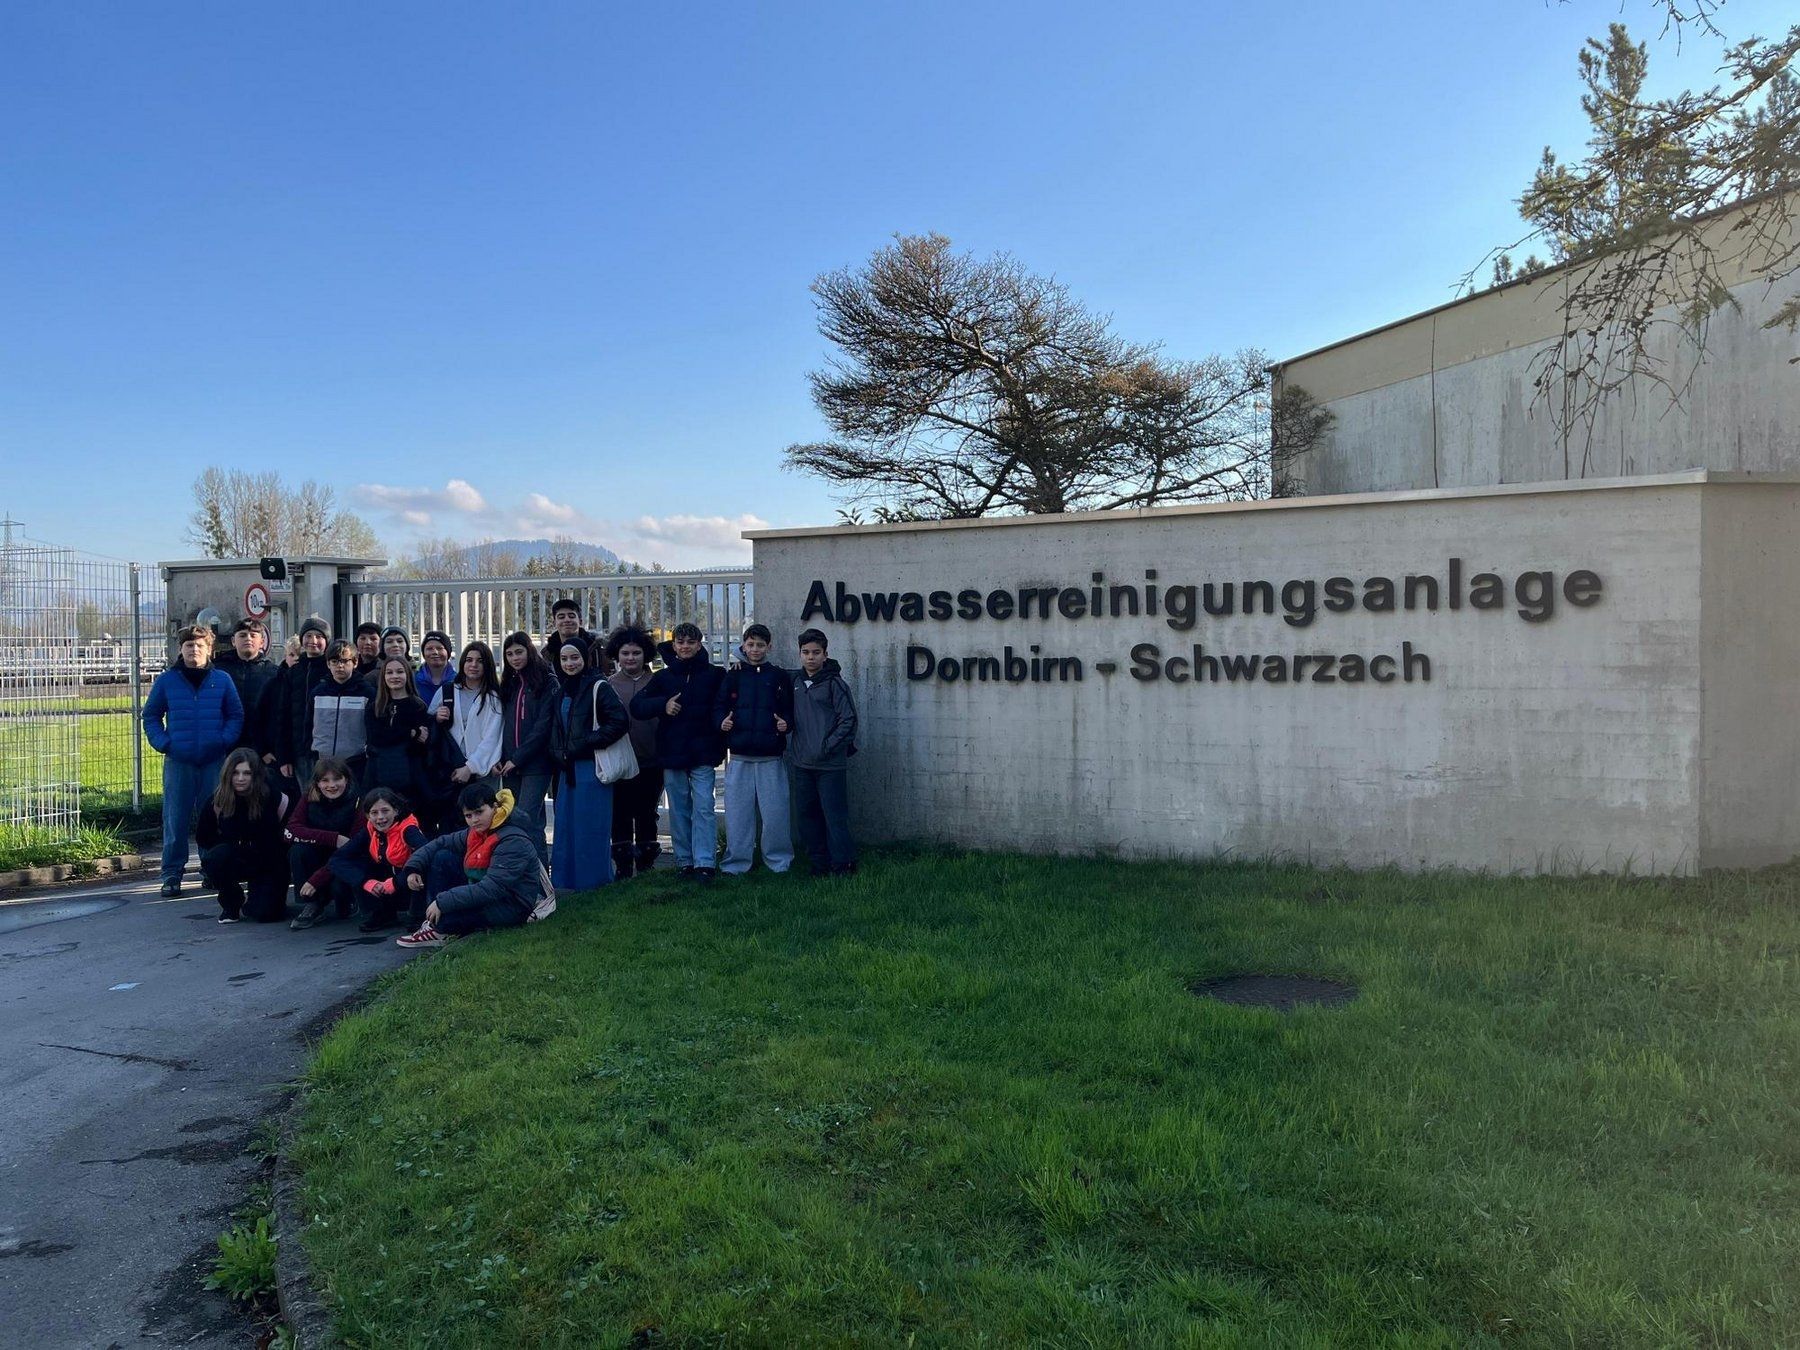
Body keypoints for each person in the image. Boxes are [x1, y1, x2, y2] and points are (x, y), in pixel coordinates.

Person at [143, 624, 244, 897]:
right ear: (181, 649)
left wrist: (223, 741)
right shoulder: (167, 681)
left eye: (200, 645)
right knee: (175, 819)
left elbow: (235, 714)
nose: (194, 650)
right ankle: (172, 874)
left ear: (209, 649)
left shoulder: (221, 680)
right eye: (189, 645)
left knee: (213, 818)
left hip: (213, 761)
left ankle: (211, 870)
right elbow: (150, 716)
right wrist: (165, 744)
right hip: (179, 761)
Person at [396, 781, 556, 948]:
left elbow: (492, 888)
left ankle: (440, 928)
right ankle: (438, 925)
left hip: (511, 904)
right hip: (487, 892)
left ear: (495, 807)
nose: (474, 820)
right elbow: (440, 843)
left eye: (479, 812)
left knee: (448, 915)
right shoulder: (478, 830)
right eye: (468, 816)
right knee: (442, 856)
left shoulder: (513, 840)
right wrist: (413, 868)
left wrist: (442, 901)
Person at [629, 622, 725, 881]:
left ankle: (705, 861)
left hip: (704, 752)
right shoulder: (663, 678)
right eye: (680, 642)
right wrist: (663, 705)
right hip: (672, 752)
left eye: (690, 642)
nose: (685, 647)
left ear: (699, 644)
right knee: (680, 809)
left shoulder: (715, 674)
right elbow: (638, 706)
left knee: (704, 807)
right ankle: (685, 861)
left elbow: (728, 698)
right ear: (674, 645)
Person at [548, 637, 630, 890]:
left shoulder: (598, 686)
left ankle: (594, 883)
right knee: (566, 828)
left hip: (591, 769)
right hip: (567, 770)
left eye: (574, 658)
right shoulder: (561, 689)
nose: (570, 663)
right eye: (564, 659)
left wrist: (586, 743)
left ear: (584, 658)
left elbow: (619, 722)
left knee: (591, 828)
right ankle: (565, 882)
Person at [715, 623, 795, 876]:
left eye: (760, 645)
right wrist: (722, 722)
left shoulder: (779, 676)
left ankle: (779, 861)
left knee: (776, 815)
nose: (755, 649)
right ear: (743, 646)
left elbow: (790, 710)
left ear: (769, 647)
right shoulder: (734, 674)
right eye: (750, 645)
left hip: (771, 757)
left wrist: (786, 724)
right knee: (738, 816)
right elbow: (719, 705)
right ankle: (736, 862)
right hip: (739, 756)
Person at [789, 628, 859, 877]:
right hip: (801, 763)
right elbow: (764, 675)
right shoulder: (794, 681)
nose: (811, 657)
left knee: (834, 817)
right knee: (807, 817)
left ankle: (843, 864)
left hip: (830, 765)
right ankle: (818, 863)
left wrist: (827, 747)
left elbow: (848, 720)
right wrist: (738, 665)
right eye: (806, 652)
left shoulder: (835, 684)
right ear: (799, 654)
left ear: (825, 654)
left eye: (816, 653)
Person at [194, 748, 291, 923]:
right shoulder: (216, 801)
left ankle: (263, 897)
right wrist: (227, 849)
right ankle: (231, 902)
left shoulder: (275, 798)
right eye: (235, 773)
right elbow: (203, 837)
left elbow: (286, 836)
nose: (240, 778)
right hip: (235, 858)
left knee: (265, 914)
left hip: (269, 861)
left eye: (247, 773)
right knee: (215, 858)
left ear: (256, 775)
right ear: (227, 774)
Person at [606, 624, 662, 879]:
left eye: (636, 653)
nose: (630, 658)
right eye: (626, 653)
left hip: (652, 759)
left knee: (647, 812)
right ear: (617, 655)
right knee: (620, 813)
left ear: (645, 654)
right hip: (620, 761)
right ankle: (623, 864)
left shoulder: (658, 682)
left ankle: (647, 862)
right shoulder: (607, 685)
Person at [496, 630, 557, 866]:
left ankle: (540, 880)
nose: (514, 658)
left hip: (536, 764)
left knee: (525, 817)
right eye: (509, 654)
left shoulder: (546, 681)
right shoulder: (510, 684)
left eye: (519, 652)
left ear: (529, 651)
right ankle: (529, 877)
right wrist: (504, 758)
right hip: (511, 764)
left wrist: (518, 758)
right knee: (521, 820)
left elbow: (543, 726)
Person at [329, 787, 427, 931]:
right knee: (357, 864)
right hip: (384, 887)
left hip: (410, 885)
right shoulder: (370, 829)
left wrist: (396, 882)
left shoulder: (408, 829)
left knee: (419, 870)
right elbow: (337, 860)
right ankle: (381, 914)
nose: (380, 817)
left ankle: (419, 915)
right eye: (374, 813)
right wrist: (365, 882)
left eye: (385, 811)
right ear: (368, 816)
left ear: (396, 811)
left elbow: (427, 853)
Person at [284, 757, 361, 930]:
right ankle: (312, 904)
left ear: (346, 779)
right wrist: (333, 838)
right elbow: (290, 831)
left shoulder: (358, 801)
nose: (331, 785)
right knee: (298, 851)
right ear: (317, 783)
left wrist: (316, 880)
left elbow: (353, 847)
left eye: (337, 779)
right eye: (325, 780)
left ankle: (348, 899)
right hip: (317, 854)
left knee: (341, 902)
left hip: (346, 859)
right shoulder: (308, 798)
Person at [363, 655, 433, 806]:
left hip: (410, 776)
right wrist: (410, 732)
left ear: (407, 675)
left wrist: (398, 734)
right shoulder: (374, 707)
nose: (394, 676)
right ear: (383, 676)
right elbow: (376, 737)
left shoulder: (418, 706)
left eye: (400, 672)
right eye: (389, 672)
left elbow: (421, 743)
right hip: (378, 774)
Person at [274, 617, 332, 788]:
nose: (313, 641)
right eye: (308, 636)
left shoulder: (332, 670)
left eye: (319, 637)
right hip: (299, 751)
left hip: (326, 752)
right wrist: (284, 757)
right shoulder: (293, 673)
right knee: (307, 800)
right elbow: (282, 716)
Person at [212, 618, 280, 763]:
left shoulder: (274, 673)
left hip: (263, 752)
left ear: (262, 642)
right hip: (224, 748)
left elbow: (276, 716)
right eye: (242, 635)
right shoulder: (217, 670)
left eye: (253, 635)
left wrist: (268, 749)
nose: (248, 639)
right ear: (233, 641)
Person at [307, 640, 374, 784]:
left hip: (355, 763)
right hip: (322, 762)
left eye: (345, 661)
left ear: (355, 662)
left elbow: (373, 729)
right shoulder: (318, 693)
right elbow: (308, 726)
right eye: (335, 661)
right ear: (328, 664)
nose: (340, 666)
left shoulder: (367, 693)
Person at [442, 640, 503, 789]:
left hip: (483, 773)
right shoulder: (447, 691)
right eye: (469, 660)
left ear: (487, 665)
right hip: (451, 770)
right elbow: (430, 723)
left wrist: (470, 767)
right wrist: (436, 717)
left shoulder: (493, 698)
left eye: (480, 661)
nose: (473, 665)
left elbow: (492, 738)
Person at [541, 598, 595, 671]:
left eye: (571, 616)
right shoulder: (548, 653)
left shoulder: (595, 648)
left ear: (580, 621)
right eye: (561, 617)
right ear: (554, 623)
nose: (567, 620)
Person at [414, 630, 456, 711]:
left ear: (448, 652)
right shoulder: (413, 681)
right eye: (429, 649)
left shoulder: (458, 681)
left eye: (440, 648)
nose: (435, 652)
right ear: (423, 653)